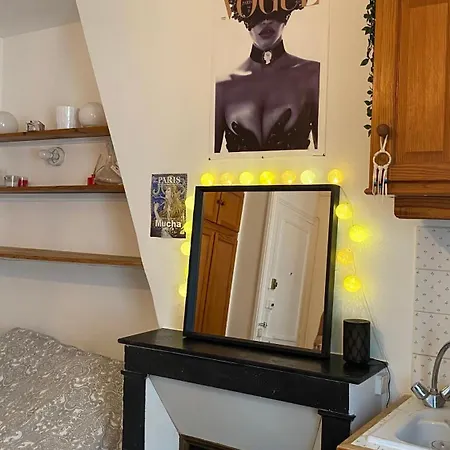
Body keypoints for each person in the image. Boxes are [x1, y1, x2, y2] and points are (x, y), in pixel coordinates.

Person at [215, 0, 320, 153]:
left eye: (272, 6)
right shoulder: (222, 87)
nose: (266, 21)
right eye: (254, 12)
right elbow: (207, 161)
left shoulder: (312, 75)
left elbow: (328, 156)